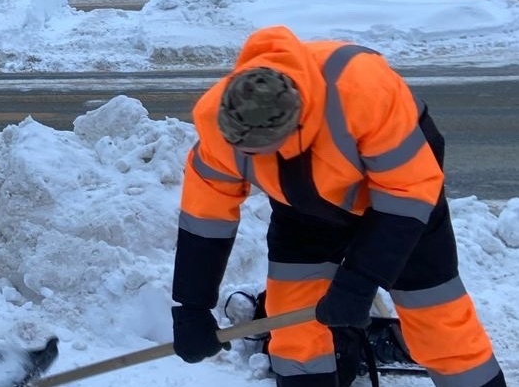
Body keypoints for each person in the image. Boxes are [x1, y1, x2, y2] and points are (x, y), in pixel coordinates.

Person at [170, 25, 507, 387]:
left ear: (295, 126)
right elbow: (205, 215)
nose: (246, 157)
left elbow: (407, 189)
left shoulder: (362, 90)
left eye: (260, 150)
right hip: (303, 208)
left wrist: (360, 281)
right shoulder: (219, 120)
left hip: (399, 203)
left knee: (436, 315)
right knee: (294, 329)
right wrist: (191, 304)